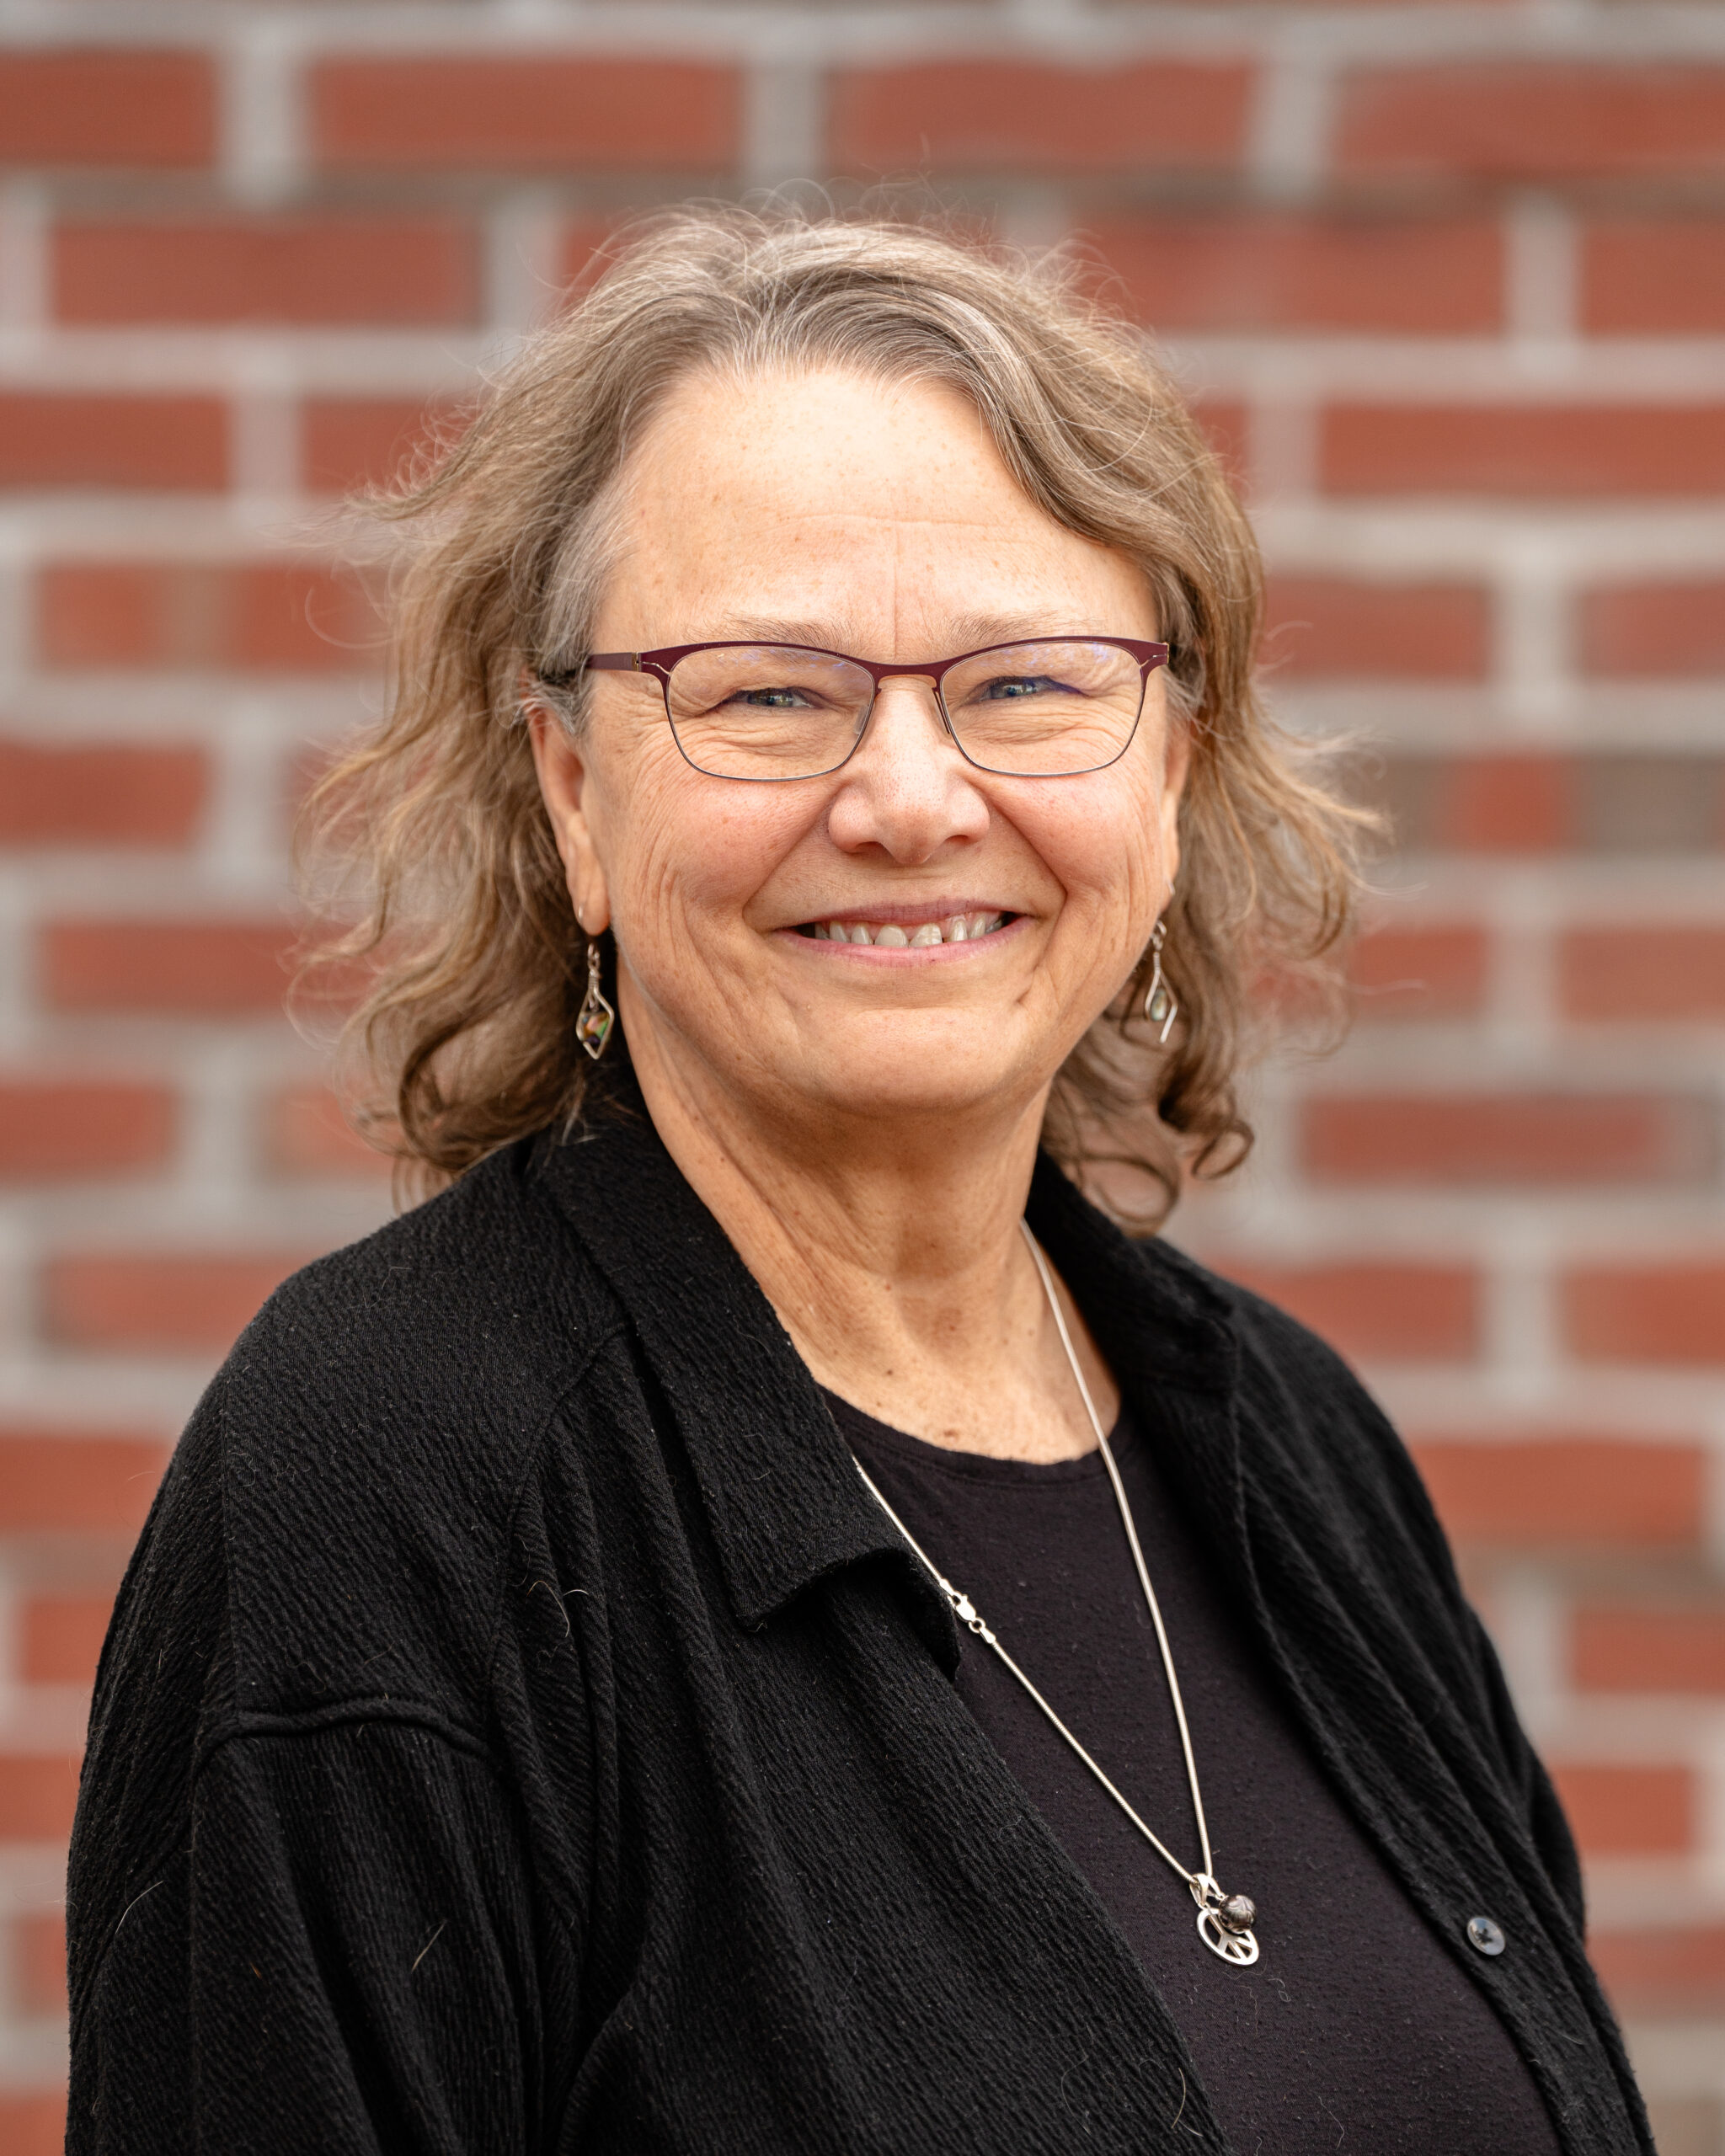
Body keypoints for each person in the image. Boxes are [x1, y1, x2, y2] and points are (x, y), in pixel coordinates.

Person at [66, 211, 1648, 2155]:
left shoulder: (1287, 1445)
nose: (908, 798)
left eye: (1028, 682)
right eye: (765, 690)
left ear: (1168, 761)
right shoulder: (390, 1481)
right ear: (571, 787)